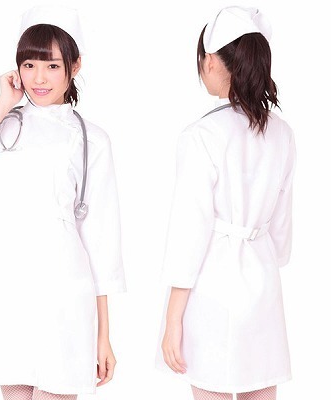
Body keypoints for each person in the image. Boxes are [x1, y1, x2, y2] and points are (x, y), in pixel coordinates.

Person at [0, 5, 126, 400]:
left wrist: (104, 335)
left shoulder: (92, 139)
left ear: (75, 66)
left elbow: (101, 241)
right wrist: (2, 103)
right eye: (28, 65)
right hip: (7, 287)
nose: (38, 78)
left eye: (52, 66)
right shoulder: (3, 124)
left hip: (63, 290)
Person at [155, 6, 295, 400]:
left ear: (212, 61)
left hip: (212, 286)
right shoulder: (282, 133)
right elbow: (281, 231)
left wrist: (172, 319)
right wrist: (263, 257)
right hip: (262, 282)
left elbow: (189, 230)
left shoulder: (202, 135)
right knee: (260, 387)